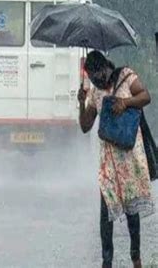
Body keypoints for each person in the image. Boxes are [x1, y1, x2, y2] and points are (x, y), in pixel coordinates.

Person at [78, 50, 154, 268]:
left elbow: (145, 96)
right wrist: (81, 103)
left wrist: (126, 102)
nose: (97, 80)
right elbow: (85, 126)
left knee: (131, 212)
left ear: (106, 67)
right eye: (92, 78)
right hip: (108, 161)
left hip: (129, 158)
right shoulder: (94, 93)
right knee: (106, 213)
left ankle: (136, 258)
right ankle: (107, 262)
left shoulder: (126, 76)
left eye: (99, 76)